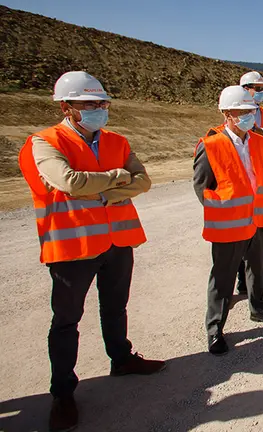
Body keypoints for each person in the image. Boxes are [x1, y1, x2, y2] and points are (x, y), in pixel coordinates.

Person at [17, 71, 166, 432]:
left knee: (116, 307)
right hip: (74, 247)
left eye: (102, 103)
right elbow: (67, 182)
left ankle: (121, 358)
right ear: (67, 107)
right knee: (67, 321)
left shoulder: (117, 139)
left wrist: (99, 192)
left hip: (118, 242)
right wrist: (117, 179)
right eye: (90, 104)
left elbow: (143, 181)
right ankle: (63, 393)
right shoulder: (44, 142)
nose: (99, 109)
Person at [193, 86, 263, 356]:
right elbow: (201, 186)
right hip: (229, 224)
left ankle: (259, 310)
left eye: (250, 111)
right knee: (222, 279)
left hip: (255, 220)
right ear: (226, 113)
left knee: (256, 270)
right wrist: (223, 212)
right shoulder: (210, 144)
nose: (248, 116)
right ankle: (215, 329)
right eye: (241, 111)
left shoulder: (257, 141)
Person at [234, 71, 263, 295]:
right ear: (245, 88)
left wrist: (256, 129)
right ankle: (243, 279)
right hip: (243, 172)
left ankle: (262, 251)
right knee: (243, 221)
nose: (260, 93)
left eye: (262, 89)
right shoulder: (235, 111)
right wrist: (258, 131)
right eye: (257, 88)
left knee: (261, 217)